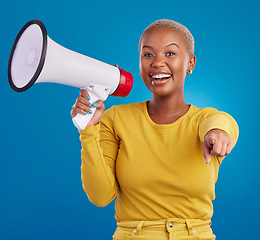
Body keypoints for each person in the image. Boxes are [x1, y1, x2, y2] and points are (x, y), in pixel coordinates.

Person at [71, 19, 239, 240]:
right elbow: (100, 196)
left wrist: (217, 133)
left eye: (170, 54)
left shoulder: (205, 120)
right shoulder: (115, 119)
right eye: (148, 55)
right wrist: (89, 130)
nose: (158, 63)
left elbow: (222, 123)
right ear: (139, 66)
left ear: (191, 63)